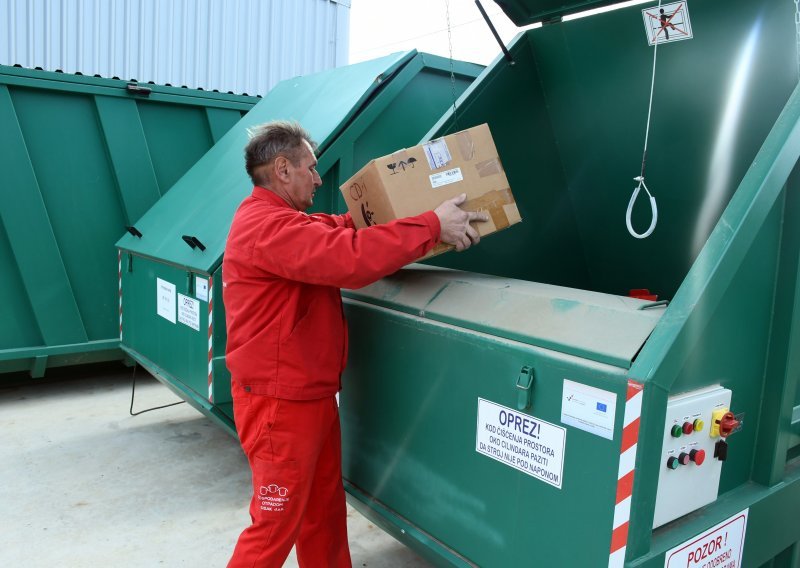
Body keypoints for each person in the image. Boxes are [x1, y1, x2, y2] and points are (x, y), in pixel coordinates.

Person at [223, 120, 488, 567]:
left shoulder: (284, 222)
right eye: (311, 167)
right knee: (274, 523)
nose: (318, 176)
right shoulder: (267, 228)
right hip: (278, 404)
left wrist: (406, 211)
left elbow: (343, 228)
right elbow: (349, 258)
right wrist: (430, 225)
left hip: (308, 395)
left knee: (321, 513)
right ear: (283, 169)